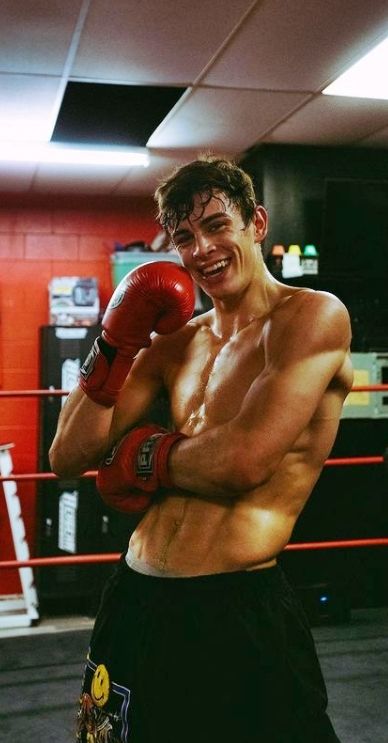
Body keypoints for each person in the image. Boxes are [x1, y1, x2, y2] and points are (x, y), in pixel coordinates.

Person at [49, 156, 353, 743]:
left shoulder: (312, 317)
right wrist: (113, 342)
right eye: (185, 237)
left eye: (218, 225)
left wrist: (144, 454)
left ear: (256, 223)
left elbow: (243, 462)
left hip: (234, 605)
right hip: (134, 598)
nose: (202, 249)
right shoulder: (176, 342)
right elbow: (66, 454)